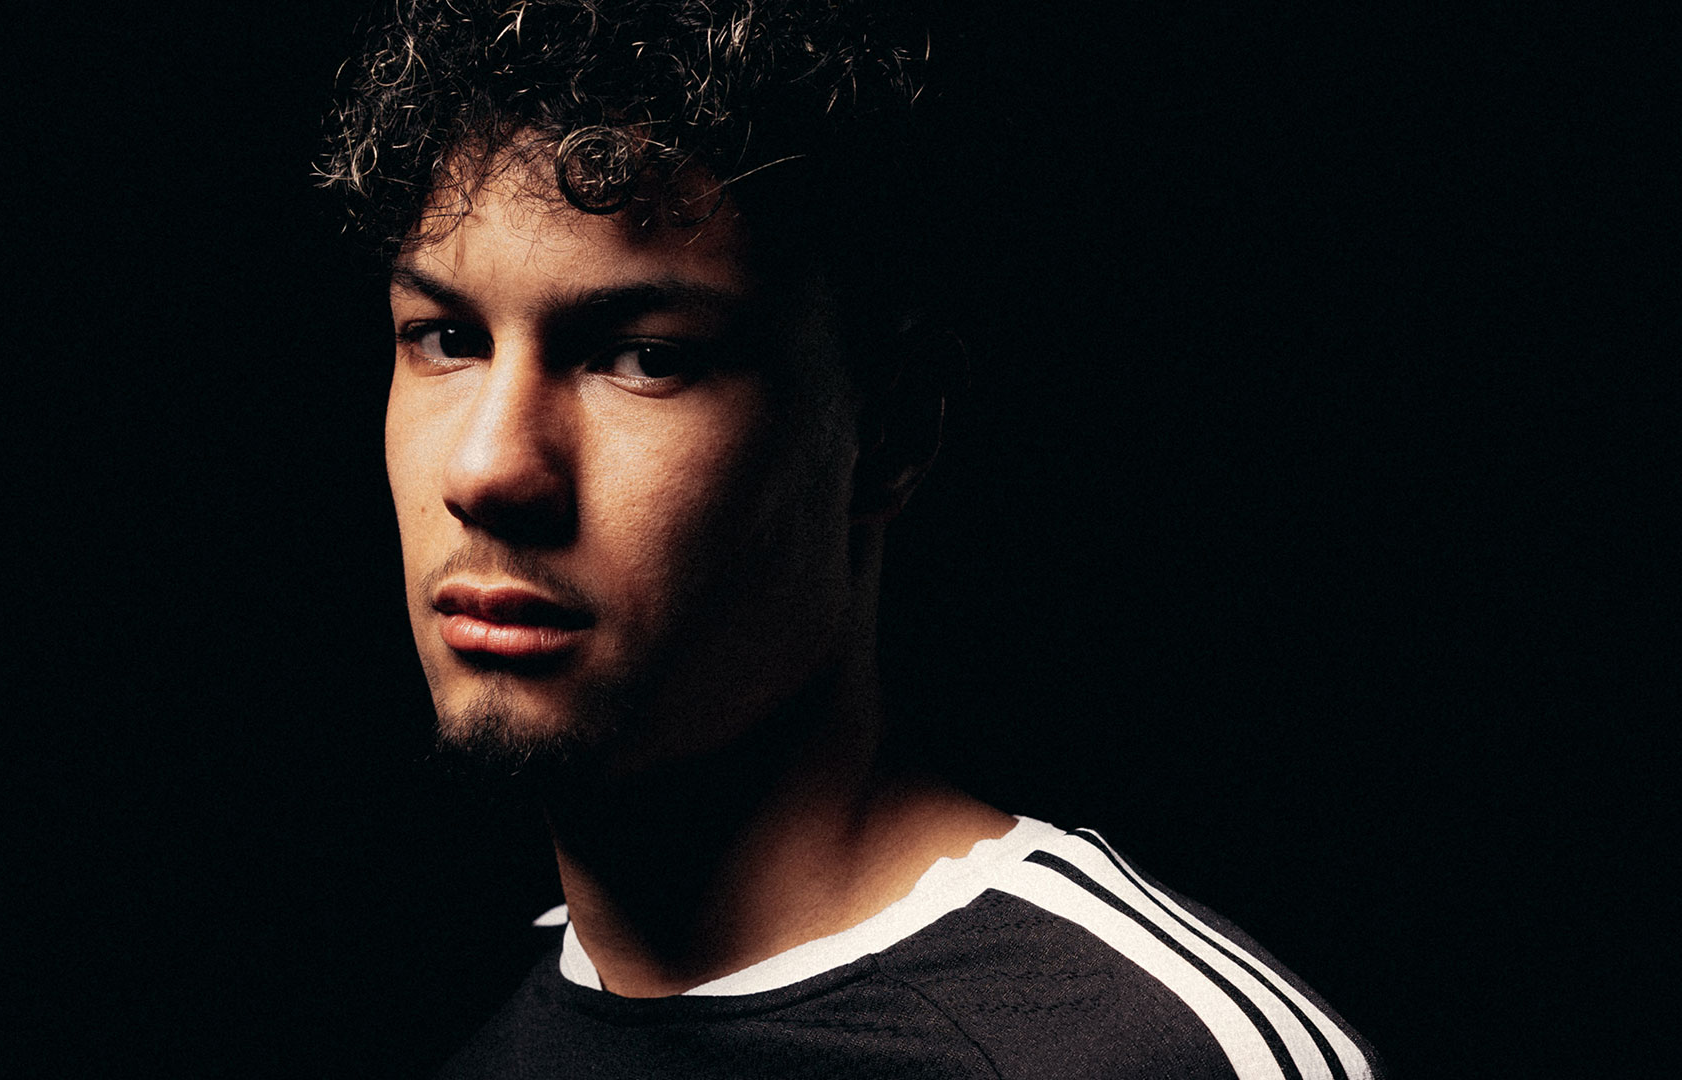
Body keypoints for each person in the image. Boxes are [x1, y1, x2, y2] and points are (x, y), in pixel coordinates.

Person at [321, 2, 1380, 1076]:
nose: (489, 472)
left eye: (645, 357)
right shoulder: (467, 1038)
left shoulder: (1154, 1053)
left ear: (889, 433)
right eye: (447, 339)